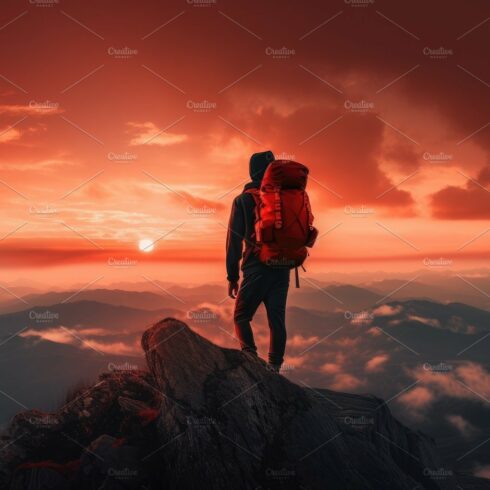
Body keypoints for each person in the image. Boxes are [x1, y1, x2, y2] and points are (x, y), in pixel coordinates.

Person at [226, 150, 290, 373]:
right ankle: (274, 369)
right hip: (283, 267)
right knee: (277, 321)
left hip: (256, 268)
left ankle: (251, 361)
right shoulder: (284, 197)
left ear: (252, 172)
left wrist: (232, 277)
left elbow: (233, 242)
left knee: (241, 316)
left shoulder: (243, 200)